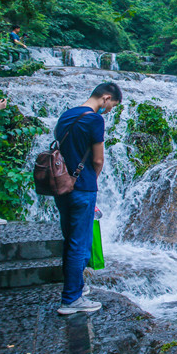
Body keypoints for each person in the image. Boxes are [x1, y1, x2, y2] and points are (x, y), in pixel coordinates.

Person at [55, 82, 122, 315]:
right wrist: (92, 181)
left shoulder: (66, 115)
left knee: (70, 238)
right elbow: (98, 160)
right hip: (82, 188)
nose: (108, 110)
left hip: (61, 186)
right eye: (110, 106)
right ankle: (71, 300)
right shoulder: (95, 120)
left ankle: (76, 289)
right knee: (80, 243)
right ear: (105, 98)